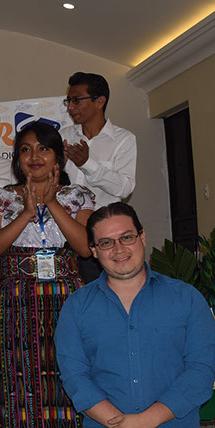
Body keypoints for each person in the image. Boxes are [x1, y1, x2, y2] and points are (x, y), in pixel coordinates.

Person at [55, 202, 215, 428]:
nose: (118, 249)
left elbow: (201, 371)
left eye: (126, 237)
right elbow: (75, 378)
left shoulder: (187, 298)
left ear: (142, 237)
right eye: (106, 242)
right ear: (94, 250)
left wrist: (144, 423)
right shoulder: (76, 307)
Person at [0, 122, 94, 428]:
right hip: (16, 301)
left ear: (58, 157)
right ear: (17, 158)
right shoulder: (1, 197)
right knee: (23, 391)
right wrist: (28, 212)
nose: (34, 156)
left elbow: (85, 248)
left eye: (43, 148)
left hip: (67, 300)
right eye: (26, 149)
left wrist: (51, 204)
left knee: (65, 389)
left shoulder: (76, 196)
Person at [60, 72, 137, 283]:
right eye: (68, 101)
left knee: (103, 291)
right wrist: (58, 166)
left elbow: (125, 188)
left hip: (103, 237)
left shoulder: (123, 140)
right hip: (63, 235)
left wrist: (87, 164)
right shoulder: (63, 136)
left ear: (99, 102)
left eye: (76, 100)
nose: (70, 107)